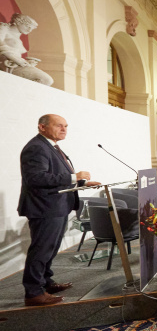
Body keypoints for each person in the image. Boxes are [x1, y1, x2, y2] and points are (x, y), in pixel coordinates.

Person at [18, 114, 100, 306]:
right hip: (45, 207)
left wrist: (82, 183)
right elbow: (36, 179)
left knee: (51, 248)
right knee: (41, 249)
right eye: (59, 126)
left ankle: (45, 282)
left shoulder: (50, 146)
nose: (64, 129)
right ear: (42, 127)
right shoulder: (36, 148)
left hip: (57, 205)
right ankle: (33, 292)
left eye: (66, 126)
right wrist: (74, 177)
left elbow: (56, 176)